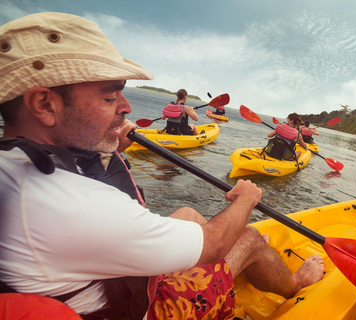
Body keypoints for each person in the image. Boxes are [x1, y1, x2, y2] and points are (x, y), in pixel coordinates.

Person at [0, 12, 324, 320]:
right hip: (146, 310)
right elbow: (212, 246)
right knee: (250, 236)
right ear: (44, 104)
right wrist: (246, 200)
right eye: (110, 97)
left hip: (87, 280)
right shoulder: (74, 207)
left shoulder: (13, 162)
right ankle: (295, 281)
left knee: (187, 214)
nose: (126, 107)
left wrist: (109, 147)